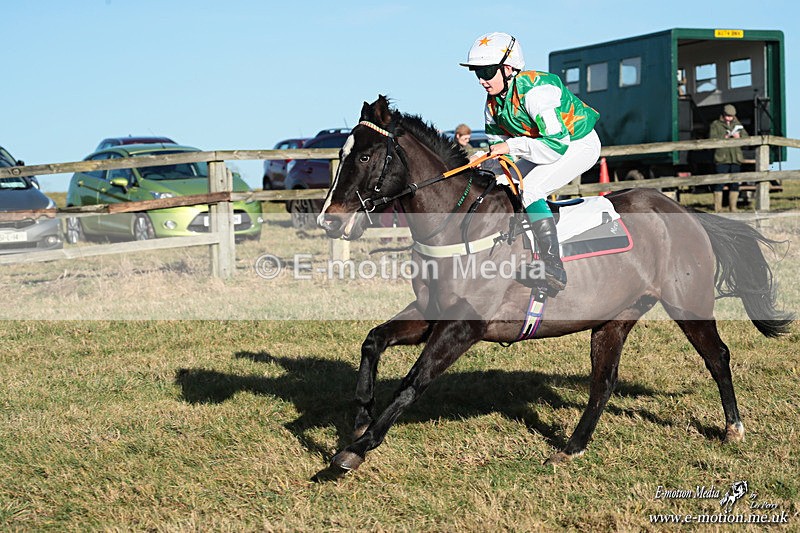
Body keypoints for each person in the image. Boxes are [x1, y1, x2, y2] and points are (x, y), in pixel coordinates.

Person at [460, 32, 601, 295]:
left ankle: (553, 267)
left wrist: (510, 146)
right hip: (543, 147)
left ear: (508, 68)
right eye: (477, 73)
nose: (482, 80)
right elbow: (502, 155)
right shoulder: (492, 106)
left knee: (531, 189)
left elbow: (556, 145)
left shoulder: (536, 92)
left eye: (487, 71)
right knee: (502, 184)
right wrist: (483, 161)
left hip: (577, 144)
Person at [709, 104, 748, 212]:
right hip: (722, 158)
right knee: (719, 182)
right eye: (727, 116)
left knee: (735, 183)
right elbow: (712, 139)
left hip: (735, 158)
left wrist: (739, 137)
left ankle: (733, 208)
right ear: (723, 114)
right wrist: (724, 138)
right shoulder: (715, 125)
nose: (729, 118)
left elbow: (747, 137)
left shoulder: (738, 125)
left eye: (731, 116)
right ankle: (718, 208)